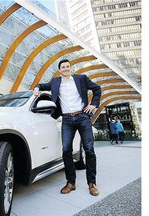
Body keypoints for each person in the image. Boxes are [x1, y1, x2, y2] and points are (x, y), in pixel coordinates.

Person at [33, 59, 101, 196]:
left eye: (67, 66)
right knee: (66, 150)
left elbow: (97, 89)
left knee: (89, 150)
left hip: (83, 116)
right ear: (59, 70)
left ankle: (92, 183)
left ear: (70, 68)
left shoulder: (81, 78)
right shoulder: (55, 82)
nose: (65, 69)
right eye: (63, 67)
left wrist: (93, 104)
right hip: (67, 119)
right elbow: (41, 85)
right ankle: (71, 183)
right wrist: (36, 88)